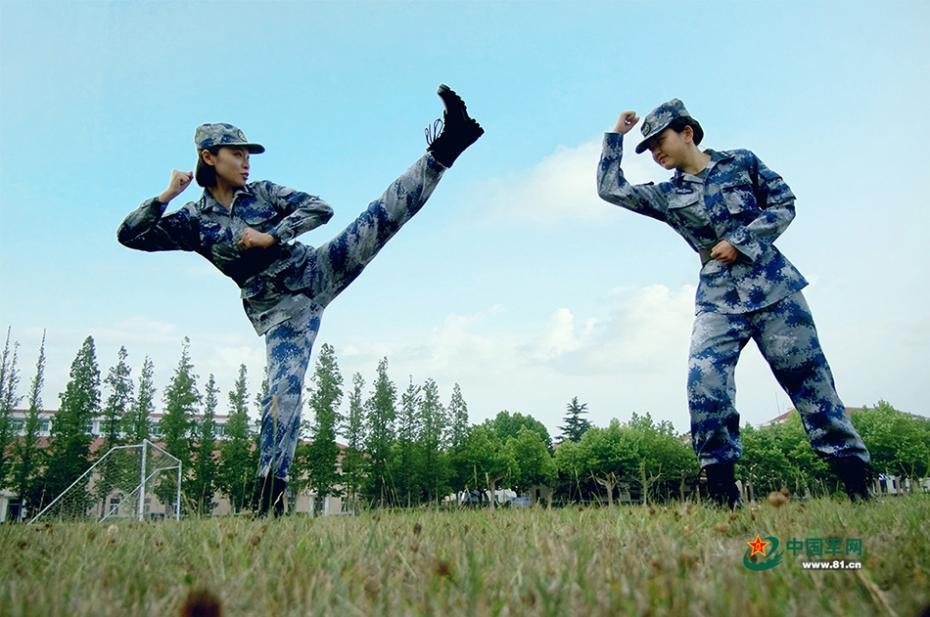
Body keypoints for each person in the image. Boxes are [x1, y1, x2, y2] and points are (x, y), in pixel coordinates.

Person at [118, 85, 483, 516]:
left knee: (380, 217)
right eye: (237, 154)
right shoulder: (194, 221)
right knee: (282, 394)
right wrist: (166, 196)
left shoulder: (263, 192)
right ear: (209, 157)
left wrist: (273, 235)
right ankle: (269, 503)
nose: (246, 162)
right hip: (282, 313)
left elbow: (320, 208)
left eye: (248, 154)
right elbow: (130, 236)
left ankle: (449, 143)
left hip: (317, 269)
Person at [596, 99, 871, 506]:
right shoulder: (667, 195)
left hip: (775, 291)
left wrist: (742, 241)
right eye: (649, 148)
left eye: (659, 142)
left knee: (812, 385)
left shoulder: (741, 162)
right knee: (705, 384)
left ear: (686, 133)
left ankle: (858, 485)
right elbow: (611, 189)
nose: (655, 152)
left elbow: (784, 203)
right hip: (718, 302)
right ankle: (722, 492)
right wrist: (616, 136)